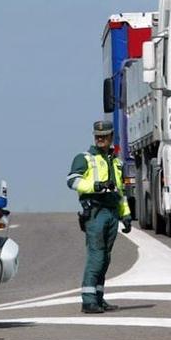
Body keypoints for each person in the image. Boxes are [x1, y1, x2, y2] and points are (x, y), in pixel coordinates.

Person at [66, 120, 132, 313]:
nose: (100, 139)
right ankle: (88, 300)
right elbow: (71, 181)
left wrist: (126, 215)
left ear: (111, 137)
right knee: (96, 256)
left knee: (105, 258)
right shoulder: (84, 158)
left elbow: (120, 191)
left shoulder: (115, 161)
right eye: (97, 136)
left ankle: (99, 297)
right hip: (95, 211)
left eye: (104, 136)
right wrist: (94, 187)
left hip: (112, 212)